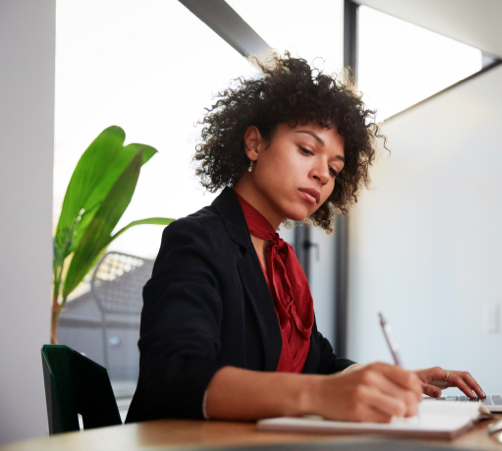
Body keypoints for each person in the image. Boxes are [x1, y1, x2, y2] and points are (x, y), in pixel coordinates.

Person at [126, 54, 484, 424]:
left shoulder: (283, 263)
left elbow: (320, 363)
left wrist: (389, 382)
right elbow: (173, 375)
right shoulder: (197, 239)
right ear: (254, 144)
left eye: (334, 168)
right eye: (307, 150)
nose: (322, 175)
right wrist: (317, 395)